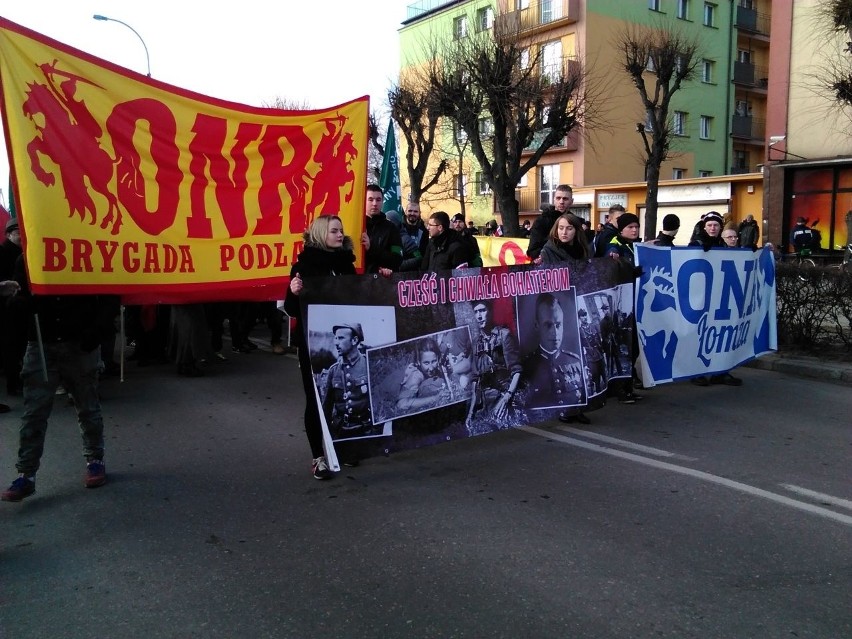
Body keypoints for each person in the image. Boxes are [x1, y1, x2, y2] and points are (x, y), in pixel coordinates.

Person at [1, 255, 117, 502]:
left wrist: (97, 330)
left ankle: (95, 459)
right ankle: (26, 474)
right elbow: (19, 295)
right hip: (42, 344)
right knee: (34, 411)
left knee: (87, 405)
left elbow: (110, 293)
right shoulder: (29, 254)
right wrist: (20, 303)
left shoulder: (89, 248)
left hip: (80, 343)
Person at [285, 215, 357, 480]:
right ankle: (318, 457)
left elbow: (360, 297)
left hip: (345, 343)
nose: (340, 235)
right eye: (334, 231)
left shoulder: (347, 265)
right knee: (316, 400)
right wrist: (293, 291)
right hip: (312, 345)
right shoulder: (303, 267)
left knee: (345, 394)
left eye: (341, 230)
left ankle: (344, 450)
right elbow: (292, 310)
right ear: (320, 234)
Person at [689, 211, 743, 387]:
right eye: (710, 225)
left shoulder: (722, 244)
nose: (713, 228)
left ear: (720, 227)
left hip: (719, 296)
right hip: (699, 296)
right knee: (698, 333)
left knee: (718, 333)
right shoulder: (695, 243)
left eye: (716, 225)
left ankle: (720, 371)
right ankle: (695, 371)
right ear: (704, 227)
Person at [604, 213, 644, 404]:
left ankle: (627, 386)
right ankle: (620, 388)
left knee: (633, 348)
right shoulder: (615, 244)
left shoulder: (636, 245)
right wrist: (628, 269)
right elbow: (611, 263)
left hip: (637, 302)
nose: (634, 230)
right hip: (622, 305)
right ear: (621, 229)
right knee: (624, 348)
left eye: (637, 227)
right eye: (630, 227)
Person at [521, 293, 585, 410]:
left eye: (558, 325)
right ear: (537, 325)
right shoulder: (526, 367)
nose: (555, 333)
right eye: (548, 325)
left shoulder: (575, 362)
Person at [468, 300, 522, 423]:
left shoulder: (504, 335)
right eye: (476, 312)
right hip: (485, 402)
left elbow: (516, 370)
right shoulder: (476, 343)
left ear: (490, 312)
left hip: (503, 396)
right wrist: (471, 413)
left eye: (482, 310)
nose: (479, 316)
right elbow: (475, 381)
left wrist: (507, 397)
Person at [321, 323, 374, 441]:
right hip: (340, 429)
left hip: (365, 429)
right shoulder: (333, 370)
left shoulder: (370, 365)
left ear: (354, 340)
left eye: (341, 338)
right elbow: (327, 407)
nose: (336, 343)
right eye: (335, 338)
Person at [0, 218, 25, 399]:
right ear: (9, 234)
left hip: (19, 305)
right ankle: (13, 383)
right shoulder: (3, 252)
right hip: (6, 307)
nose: (21, 237)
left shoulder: (24, 251)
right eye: (17, 233)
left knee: (19, 345)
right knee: (11, 346)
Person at [396, 338, 450, 412]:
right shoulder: (416, 376)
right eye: (426, 363)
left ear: (438, 358)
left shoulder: (433, 367)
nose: (431, 368)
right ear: (418, 362)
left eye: (434, 361)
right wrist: (435, 398)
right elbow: (401, 404)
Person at [362, 184, 402, 275]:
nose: (375, 203)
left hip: (381, 282)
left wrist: (371, 248)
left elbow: (397, 259)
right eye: (370, 199)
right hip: (355, 281)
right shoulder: (356, 225)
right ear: (364, 200)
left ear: (382, 201)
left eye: (378, 200)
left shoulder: (391, 228)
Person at [527, 184, 573, 261]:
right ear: (554, 200)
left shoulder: (575, 221)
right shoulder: (542, 220)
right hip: (549, 267)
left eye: (565, 199)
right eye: (558, 198)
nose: (561, 202)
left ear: (571, 201)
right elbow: (533, 250)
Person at [399, 200, 429, 271]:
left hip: (417, 271)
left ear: (419, 213)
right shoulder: (398, 228)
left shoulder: (424, 231)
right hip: (400, 269)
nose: (412, 213)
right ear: (406, 212)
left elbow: (424, 253)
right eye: (410, 211)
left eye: (415, 211)